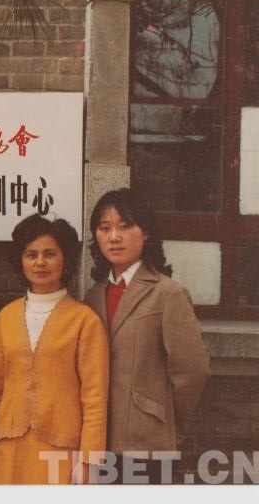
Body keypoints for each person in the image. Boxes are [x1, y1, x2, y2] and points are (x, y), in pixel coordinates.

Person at [84, 188, 210, 484]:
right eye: (105, 228)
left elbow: (193, 371)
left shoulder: (168, 293)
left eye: (125, 226)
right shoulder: (93, 296)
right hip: (98, 443)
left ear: (146, 233)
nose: (114, 237)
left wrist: (164, 417)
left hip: (148, 444)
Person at [0, 214, 109, 485]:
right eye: (31, 255)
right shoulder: (4, 318)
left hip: (61, 452)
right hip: (9, 450)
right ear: (20, 261)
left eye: (50, 254)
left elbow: (95, 397)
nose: (40, 262)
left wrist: (89, 460)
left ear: (65, 260)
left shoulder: (84, 320)